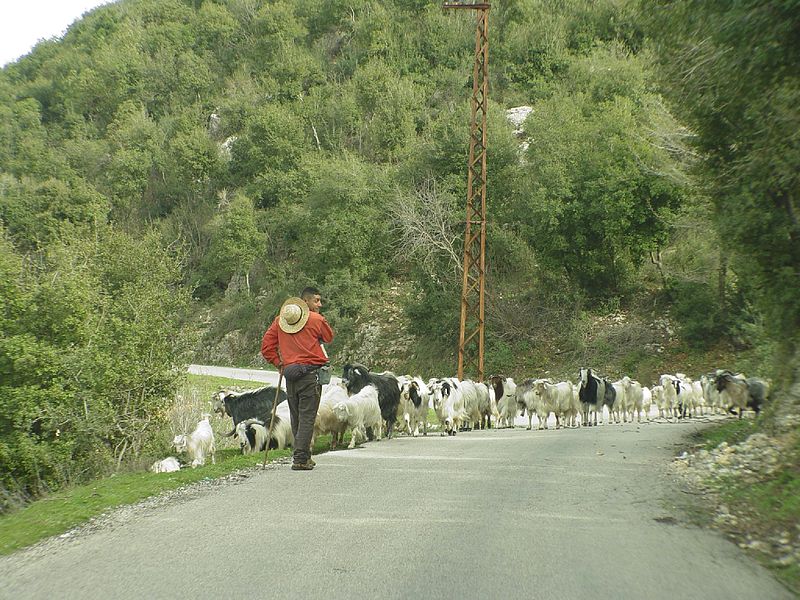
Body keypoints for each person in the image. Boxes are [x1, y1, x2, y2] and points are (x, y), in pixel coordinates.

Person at [261, 287, 334, 471]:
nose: (319, 304)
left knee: (296, 417)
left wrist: (279, 364)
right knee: (307, 417)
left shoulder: (280, 321)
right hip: (310, 375)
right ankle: (301, 458)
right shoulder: (317, 320)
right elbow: (328, 337)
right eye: (316, 301)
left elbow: (266, 347)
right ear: (306, 302)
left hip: (290, 374)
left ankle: (304, 454)